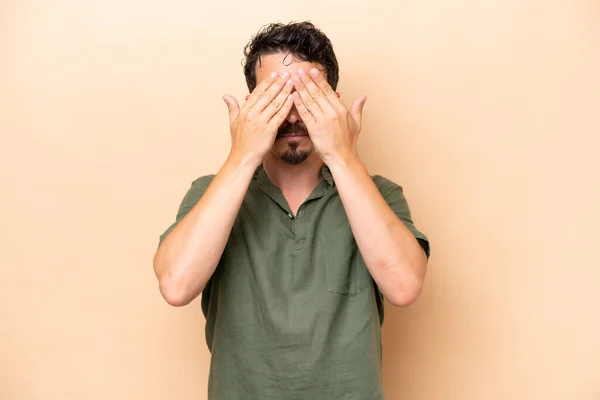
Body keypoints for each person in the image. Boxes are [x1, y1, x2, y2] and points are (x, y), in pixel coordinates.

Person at [153, 21, 430, 400]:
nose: (293, 115)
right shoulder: (210, 194)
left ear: (333, 103)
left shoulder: (379, 194)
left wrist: (342, 154)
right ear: (252, 105)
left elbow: (404, 286)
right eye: (276, 97)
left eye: (307, 96)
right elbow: (175, 285)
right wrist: (242, 154)